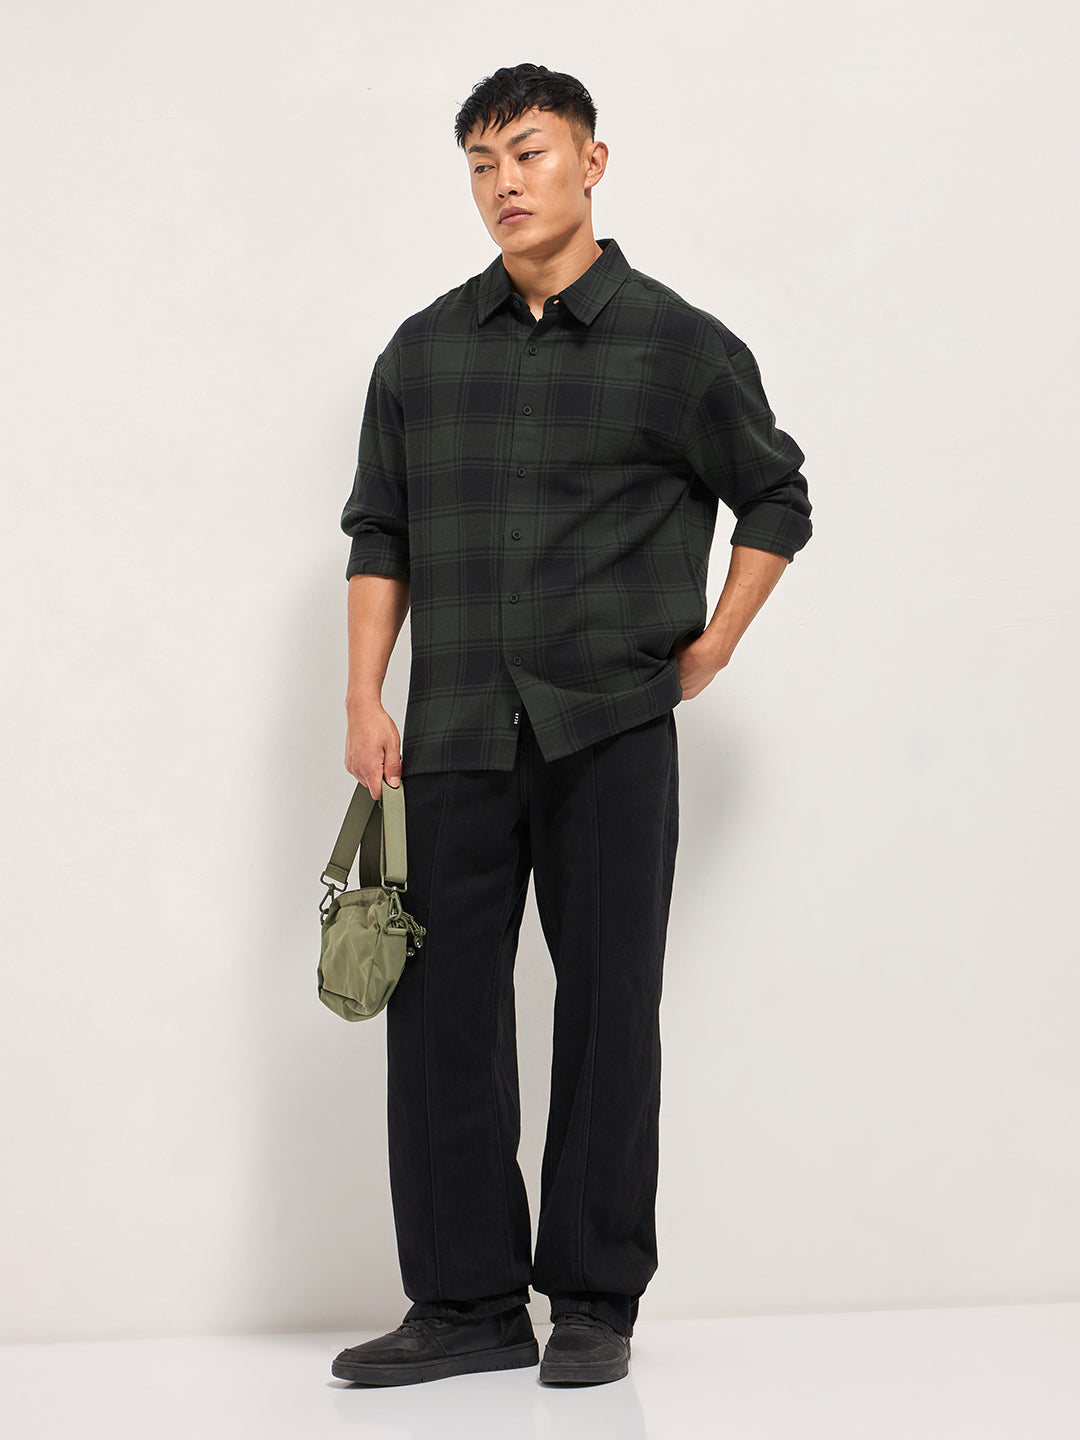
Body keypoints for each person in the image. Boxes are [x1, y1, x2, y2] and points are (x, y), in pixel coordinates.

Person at [330, 62, 812, 1389]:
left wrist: (714, 643)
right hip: (452, 733)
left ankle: (595, 1300)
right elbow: (380, 529)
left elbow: (777, 496)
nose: (505, 184)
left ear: (592, 163)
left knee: (608, 1008)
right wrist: (365, 697)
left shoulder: (679, 345)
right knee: (439, 1014)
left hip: (610, 730)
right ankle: (466, 1305)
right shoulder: (423, 352)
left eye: (529, 154)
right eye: (482, 164)